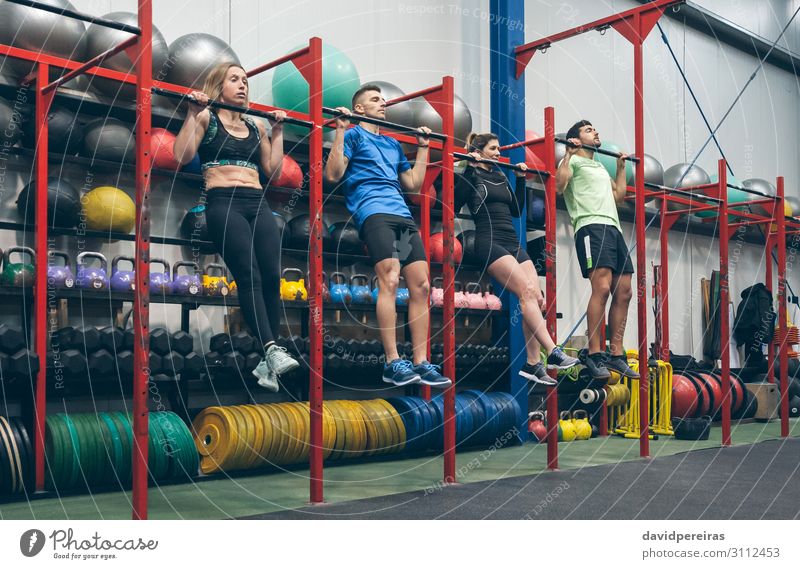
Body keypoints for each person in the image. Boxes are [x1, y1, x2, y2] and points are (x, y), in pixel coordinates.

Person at [173, 62, 298, 392]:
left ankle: (268, 357)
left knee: (272, 276)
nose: (243, 85)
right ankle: (271, 348)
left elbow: (272, 171)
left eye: (245, 80)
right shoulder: (206, 118)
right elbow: (182, 155)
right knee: (250, 275)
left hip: (258, 204)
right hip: (223, 203)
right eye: (235, 79)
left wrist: (279, 131)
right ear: (219, 85)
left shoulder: (256, 127)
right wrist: (191, 113)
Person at [324, 84, 451, 388]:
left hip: (402, 216)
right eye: (375, 99)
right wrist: (340, 130)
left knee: (421, 285)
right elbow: (332, 174)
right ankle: (393, 361)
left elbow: (413, 183)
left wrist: (423, 147)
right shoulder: (354, 135)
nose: (383, 103)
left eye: (384, 99)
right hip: (373, 211)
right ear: (359, 109)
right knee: (391, 279)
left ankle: (421, 362)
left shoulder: (393, 144)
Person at [455, 133, 579, 385]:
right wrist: (468, 167)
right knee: (526, 292)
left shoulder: (500, 174)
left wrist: (521, 180)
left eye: (499, 148)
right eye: (493, 148)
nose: (498, 153)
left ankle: (533, 363)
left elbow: (516, 210)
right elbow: (456, 202)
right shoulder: (472, 175)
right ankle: (552, 351)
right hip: (489, 241)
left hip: (512, 241)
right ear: (478, 152)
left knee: (536, 297)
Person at [555, 120, 639, 380]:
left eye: (595, 128)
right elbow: (559, 187)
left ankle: (616, 353)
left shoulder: (600, 166)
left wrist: (622, 168)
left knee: (624, 291)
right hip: (590, 227)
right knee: (601, 288)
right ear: (576, 138)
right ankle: (593, 353)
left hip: (613, 228)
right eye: (589, 130)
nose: (596, 131)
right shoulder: (573, 163)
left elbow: (619, 196)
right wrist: (567, 154)